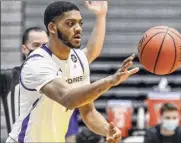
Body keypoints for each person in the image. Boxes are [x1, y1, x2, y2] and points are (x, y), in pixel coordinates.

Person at [6, 1, 139, 143]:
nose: (78, 29)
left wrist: (108, 129)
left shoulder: (78, 60)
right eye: (70, 23)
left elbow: (89, 113)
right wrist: (110, 81)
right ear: (52, 27)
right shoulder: (37, 62)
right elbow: (67, 99)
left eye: (80, 23)